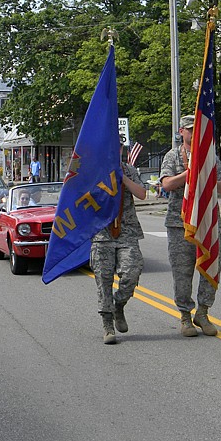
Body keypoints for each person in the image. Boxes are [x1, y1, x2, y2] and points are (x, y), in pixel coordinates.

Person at [160, 114, 221, 337]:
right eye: (189, 129)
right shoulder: (172, 156)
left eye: (197, 129)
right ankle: (185, 316)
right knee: (182, 273)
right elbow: (167, 184)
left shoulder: (210, 156)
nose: (193, 132)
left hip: (206, 222)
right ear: (181, 132)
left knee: (211, 266)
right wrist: (190, 174)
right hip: (179, 224)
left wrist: (206, 177)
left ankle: (204, 312)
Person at [91, 145, 147, 344]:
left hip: (127, 231)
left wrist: (122, 177)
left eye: (119, 147)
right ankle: (107, 325)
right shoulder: (93, 169)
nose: (116, 150)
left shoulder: (130, 170)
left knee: (133, 271)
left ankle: (119, 304)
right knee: (104, 280)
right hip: (101, 233)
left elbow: (142, 194)